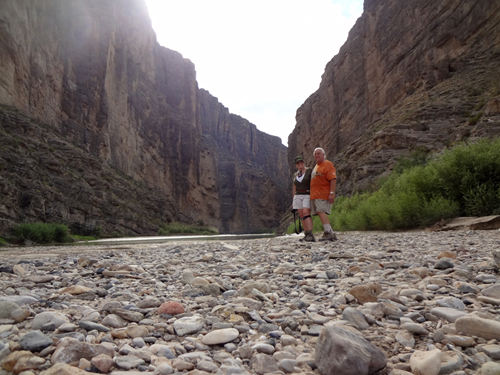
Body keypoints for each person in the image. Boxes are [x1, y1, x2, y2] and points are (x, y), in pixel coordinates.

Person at [310, 147, 338, 241]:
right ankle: (331, 233)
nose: (317, 155)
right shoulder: (317, 166)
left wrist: (332, 193)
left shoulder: (327, 164)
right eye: (315, 154)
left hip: (323, 194)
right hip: (315, 195)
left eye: (318, 153)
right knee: (320, 212)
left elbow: (333, 179)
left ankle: (328, 233)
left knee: (322, 211)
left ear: (323, 154)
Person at [292, 155, 315, 242]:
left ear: (303, 162)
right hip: (298, 196)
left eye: (301, 162)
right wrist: (293, 199)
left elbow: (314, 182)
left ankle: (310, 234)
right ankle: (306, 234)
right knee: (301, 215)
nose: (300, 163)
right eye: (298, 163)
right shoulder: (295, 175)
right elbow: (294, 188)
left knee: (306, 213)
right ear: (296, 165)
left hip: (307, 194)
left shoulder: (309, 171)